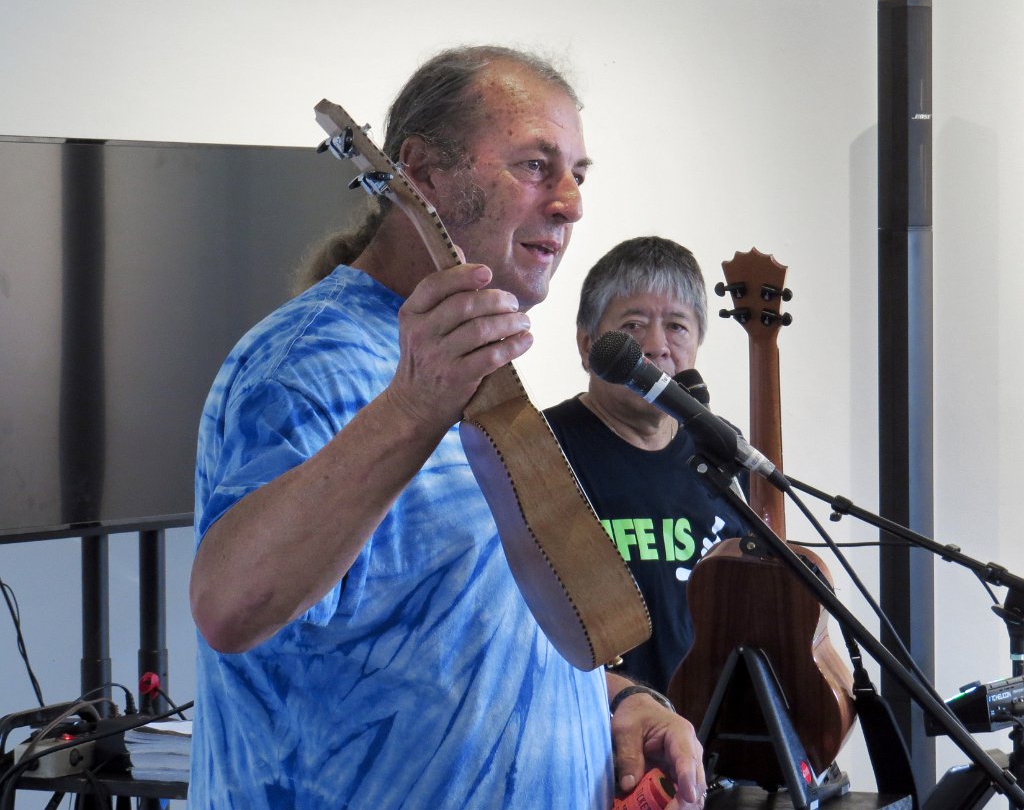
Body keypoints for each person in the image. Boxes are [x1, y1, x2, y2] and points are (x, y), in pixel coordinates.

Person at [188, 47, 706, 809]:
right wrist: (411, 408)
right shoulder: (308, 363)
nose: (570, 203)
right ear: (423, 173)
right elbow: (230, 608)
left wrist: (625, 701)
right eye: (536, 165)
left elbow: (474, 634)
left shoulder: (470, 369)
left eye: (578, 173)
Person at [545, 236, 749, 694]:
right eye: (633, 325)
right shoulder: (538, 450)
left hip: (706, 738)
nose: (656, 347)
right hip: (590, 732)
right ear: (587, 345)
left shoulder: (725, 453)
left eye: (677, 326)